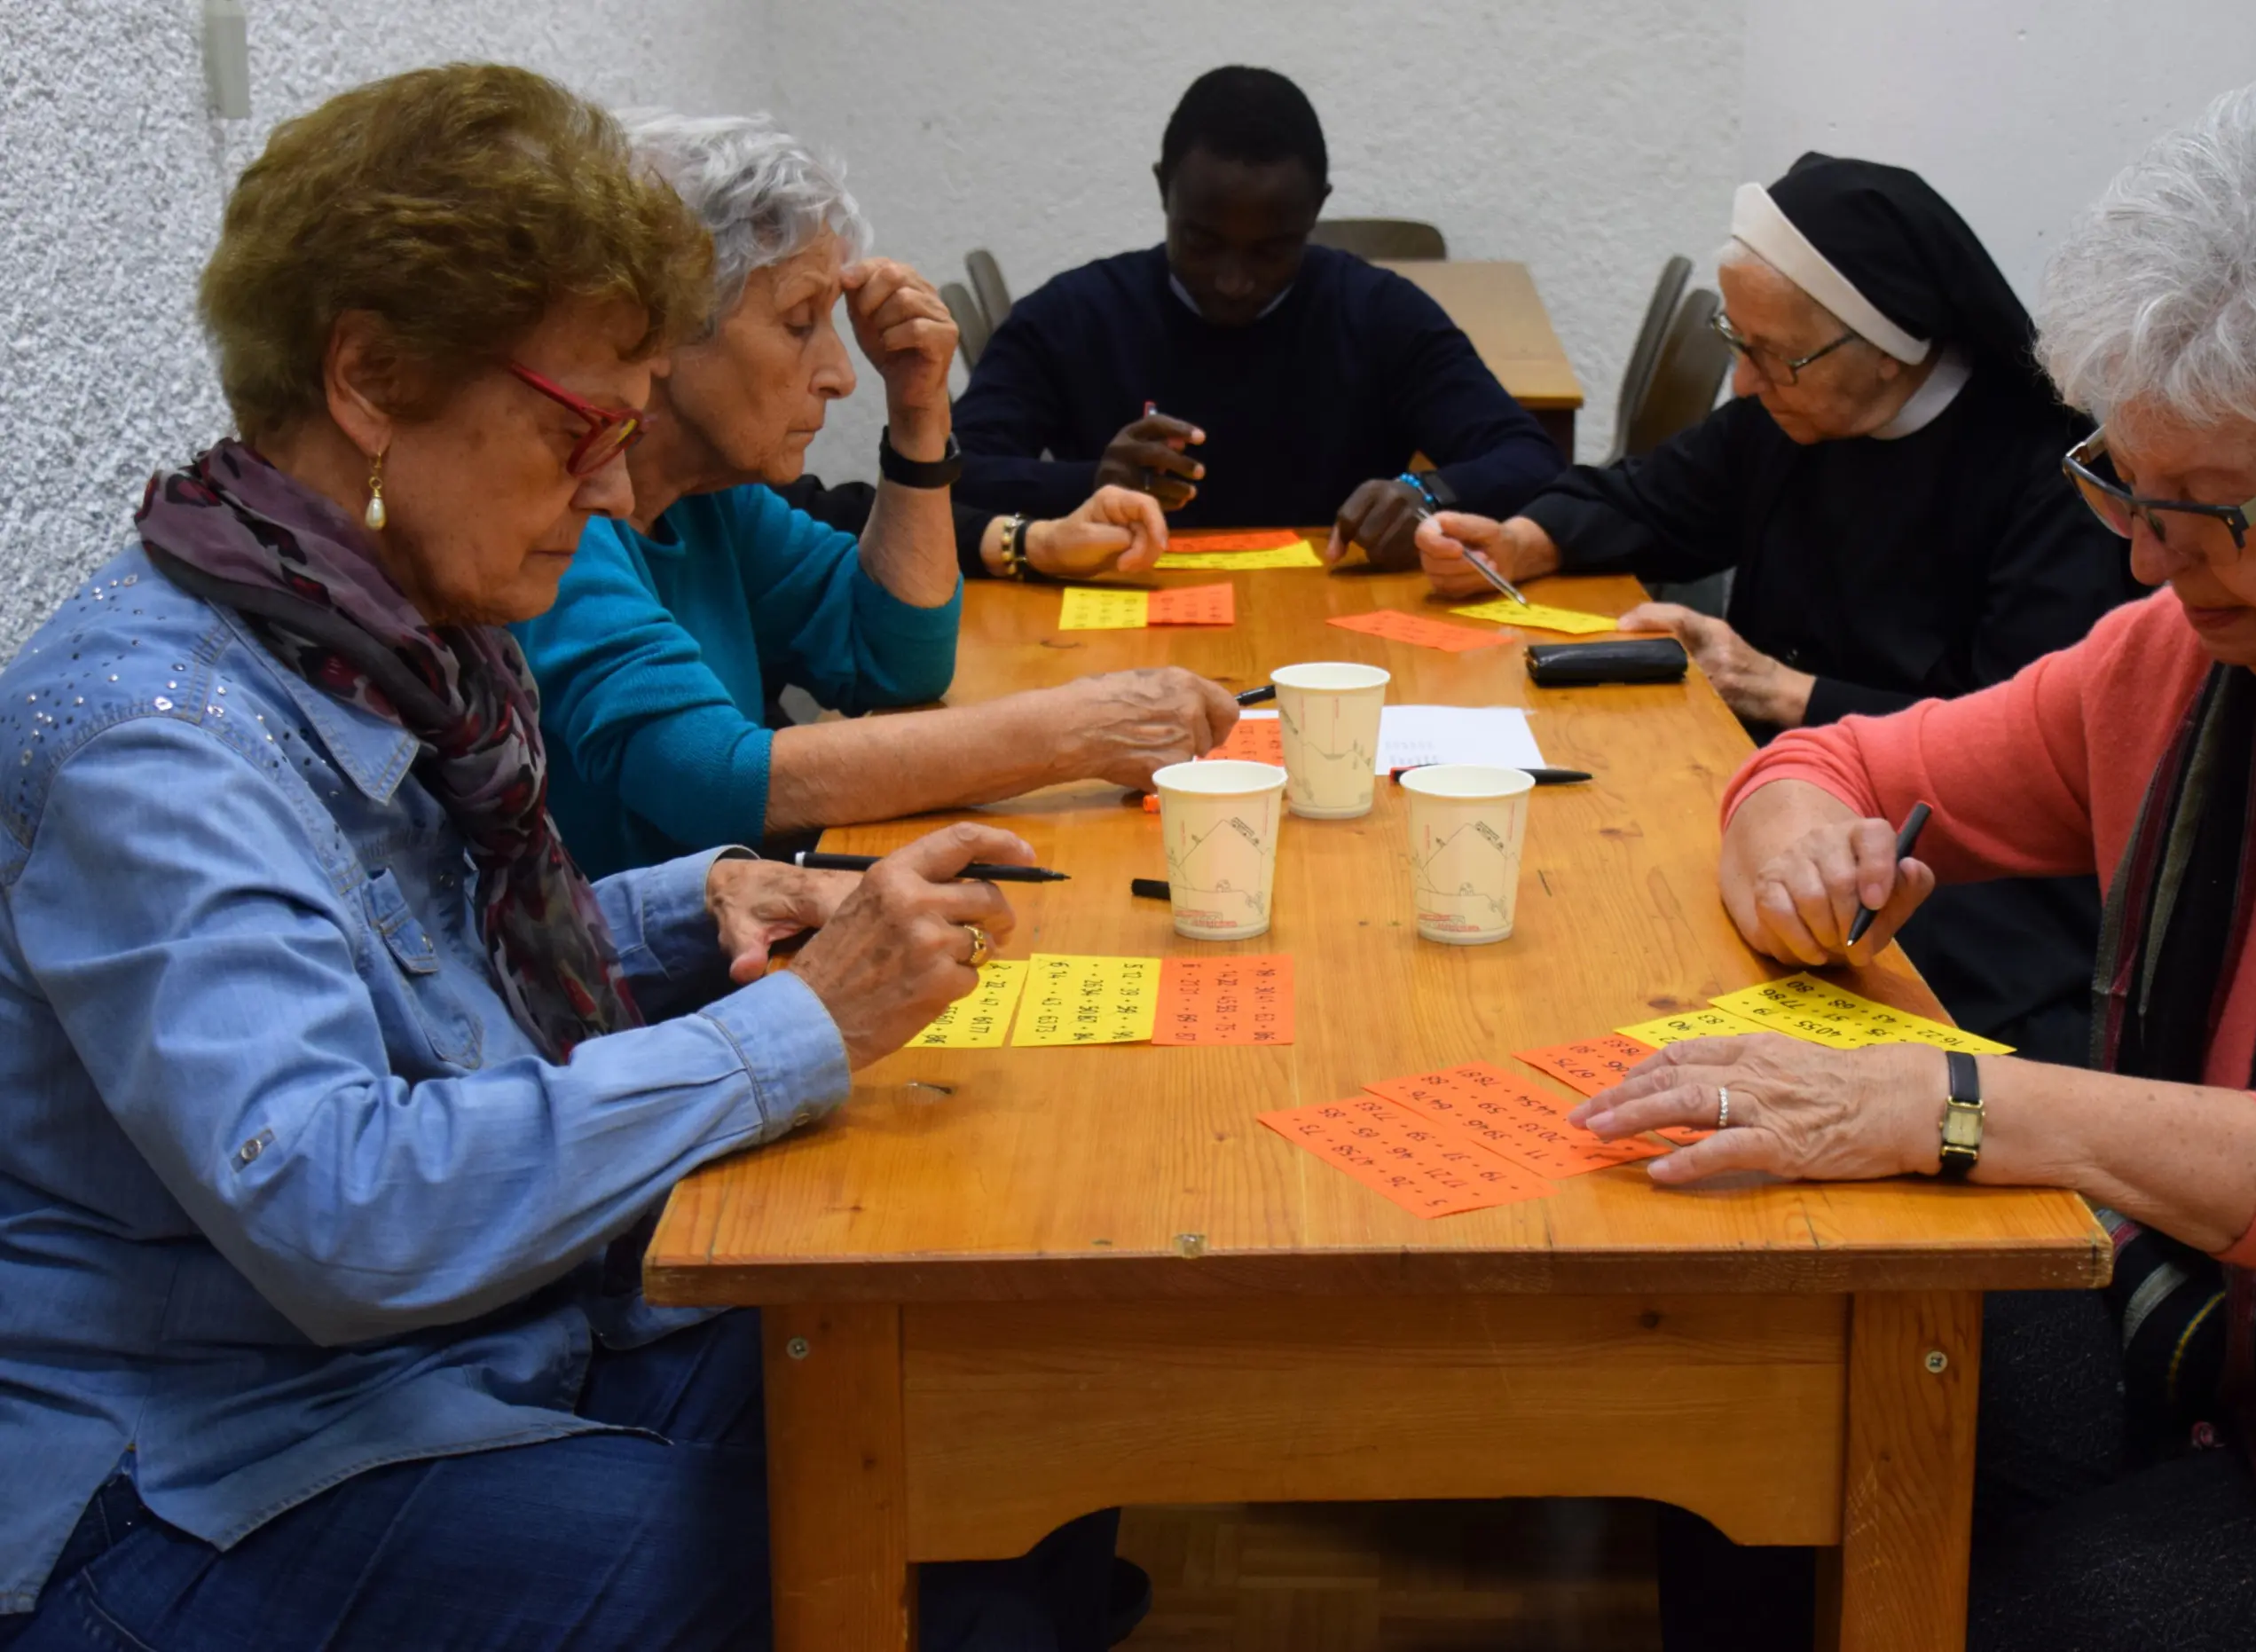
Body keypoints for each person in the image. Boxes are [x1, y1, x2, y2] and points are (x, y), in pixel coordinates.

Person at [0, 67, 1118, 1651]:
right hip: (205, 1475)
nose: (609, 490)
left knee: (1016, 1417)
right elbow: (339, 1208)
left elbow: (392, 957)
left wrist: (694, 898)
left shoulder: (386, 626)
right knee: (928, 1573)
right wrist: (797, 1026)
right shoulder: (150, 737)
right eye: (582, 428)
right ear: (373, 377)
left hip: (471, 1350)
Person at [1575, 69, 2256, 1649]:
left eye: (2208, 513)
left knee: (2074, 1613)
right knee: (1768, 1370)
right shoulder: (2182, 652)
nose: (2145, 561)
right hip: (2223, 1328)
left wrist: (1944, 1100)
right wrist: (1797, 844)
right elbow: (1833, 760)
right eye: (2121, 489)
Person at [1415, 157, 2136, 1063]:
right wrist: (1522, 539)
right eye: (1736, 340)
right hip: (1780, 819)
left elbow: (2019, 744)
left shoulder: (2047, 477)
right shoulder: (1794, 408)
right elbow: (1647, 496)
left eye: (1773, 355)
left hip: (1958, 888)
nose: (1745, 385)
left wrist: (1782, 689)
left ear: (1890, 346)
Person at [511, 114, 1240, 881]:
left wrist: (920, 415)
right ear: (660, 331)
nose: (841, 373)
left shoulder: (706, 499)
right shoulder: (562, 524)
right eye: (799, 324)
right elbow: (714, 781)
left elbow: (896, 654)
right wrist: (1074, 733)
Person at [947, 66, 1566, 566]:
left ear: (1317, 211)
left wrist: (1429, 494)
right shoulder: (1075, 316)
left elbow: (1530, 460)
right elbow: (950, 474)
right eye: (1202, 242)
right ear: (1164, 191)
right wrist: (1089, 483)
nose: (1234, 282)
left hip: (1332, 627)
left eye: (1271, 250)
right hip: (1125, 619)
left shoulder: (1378, 314)